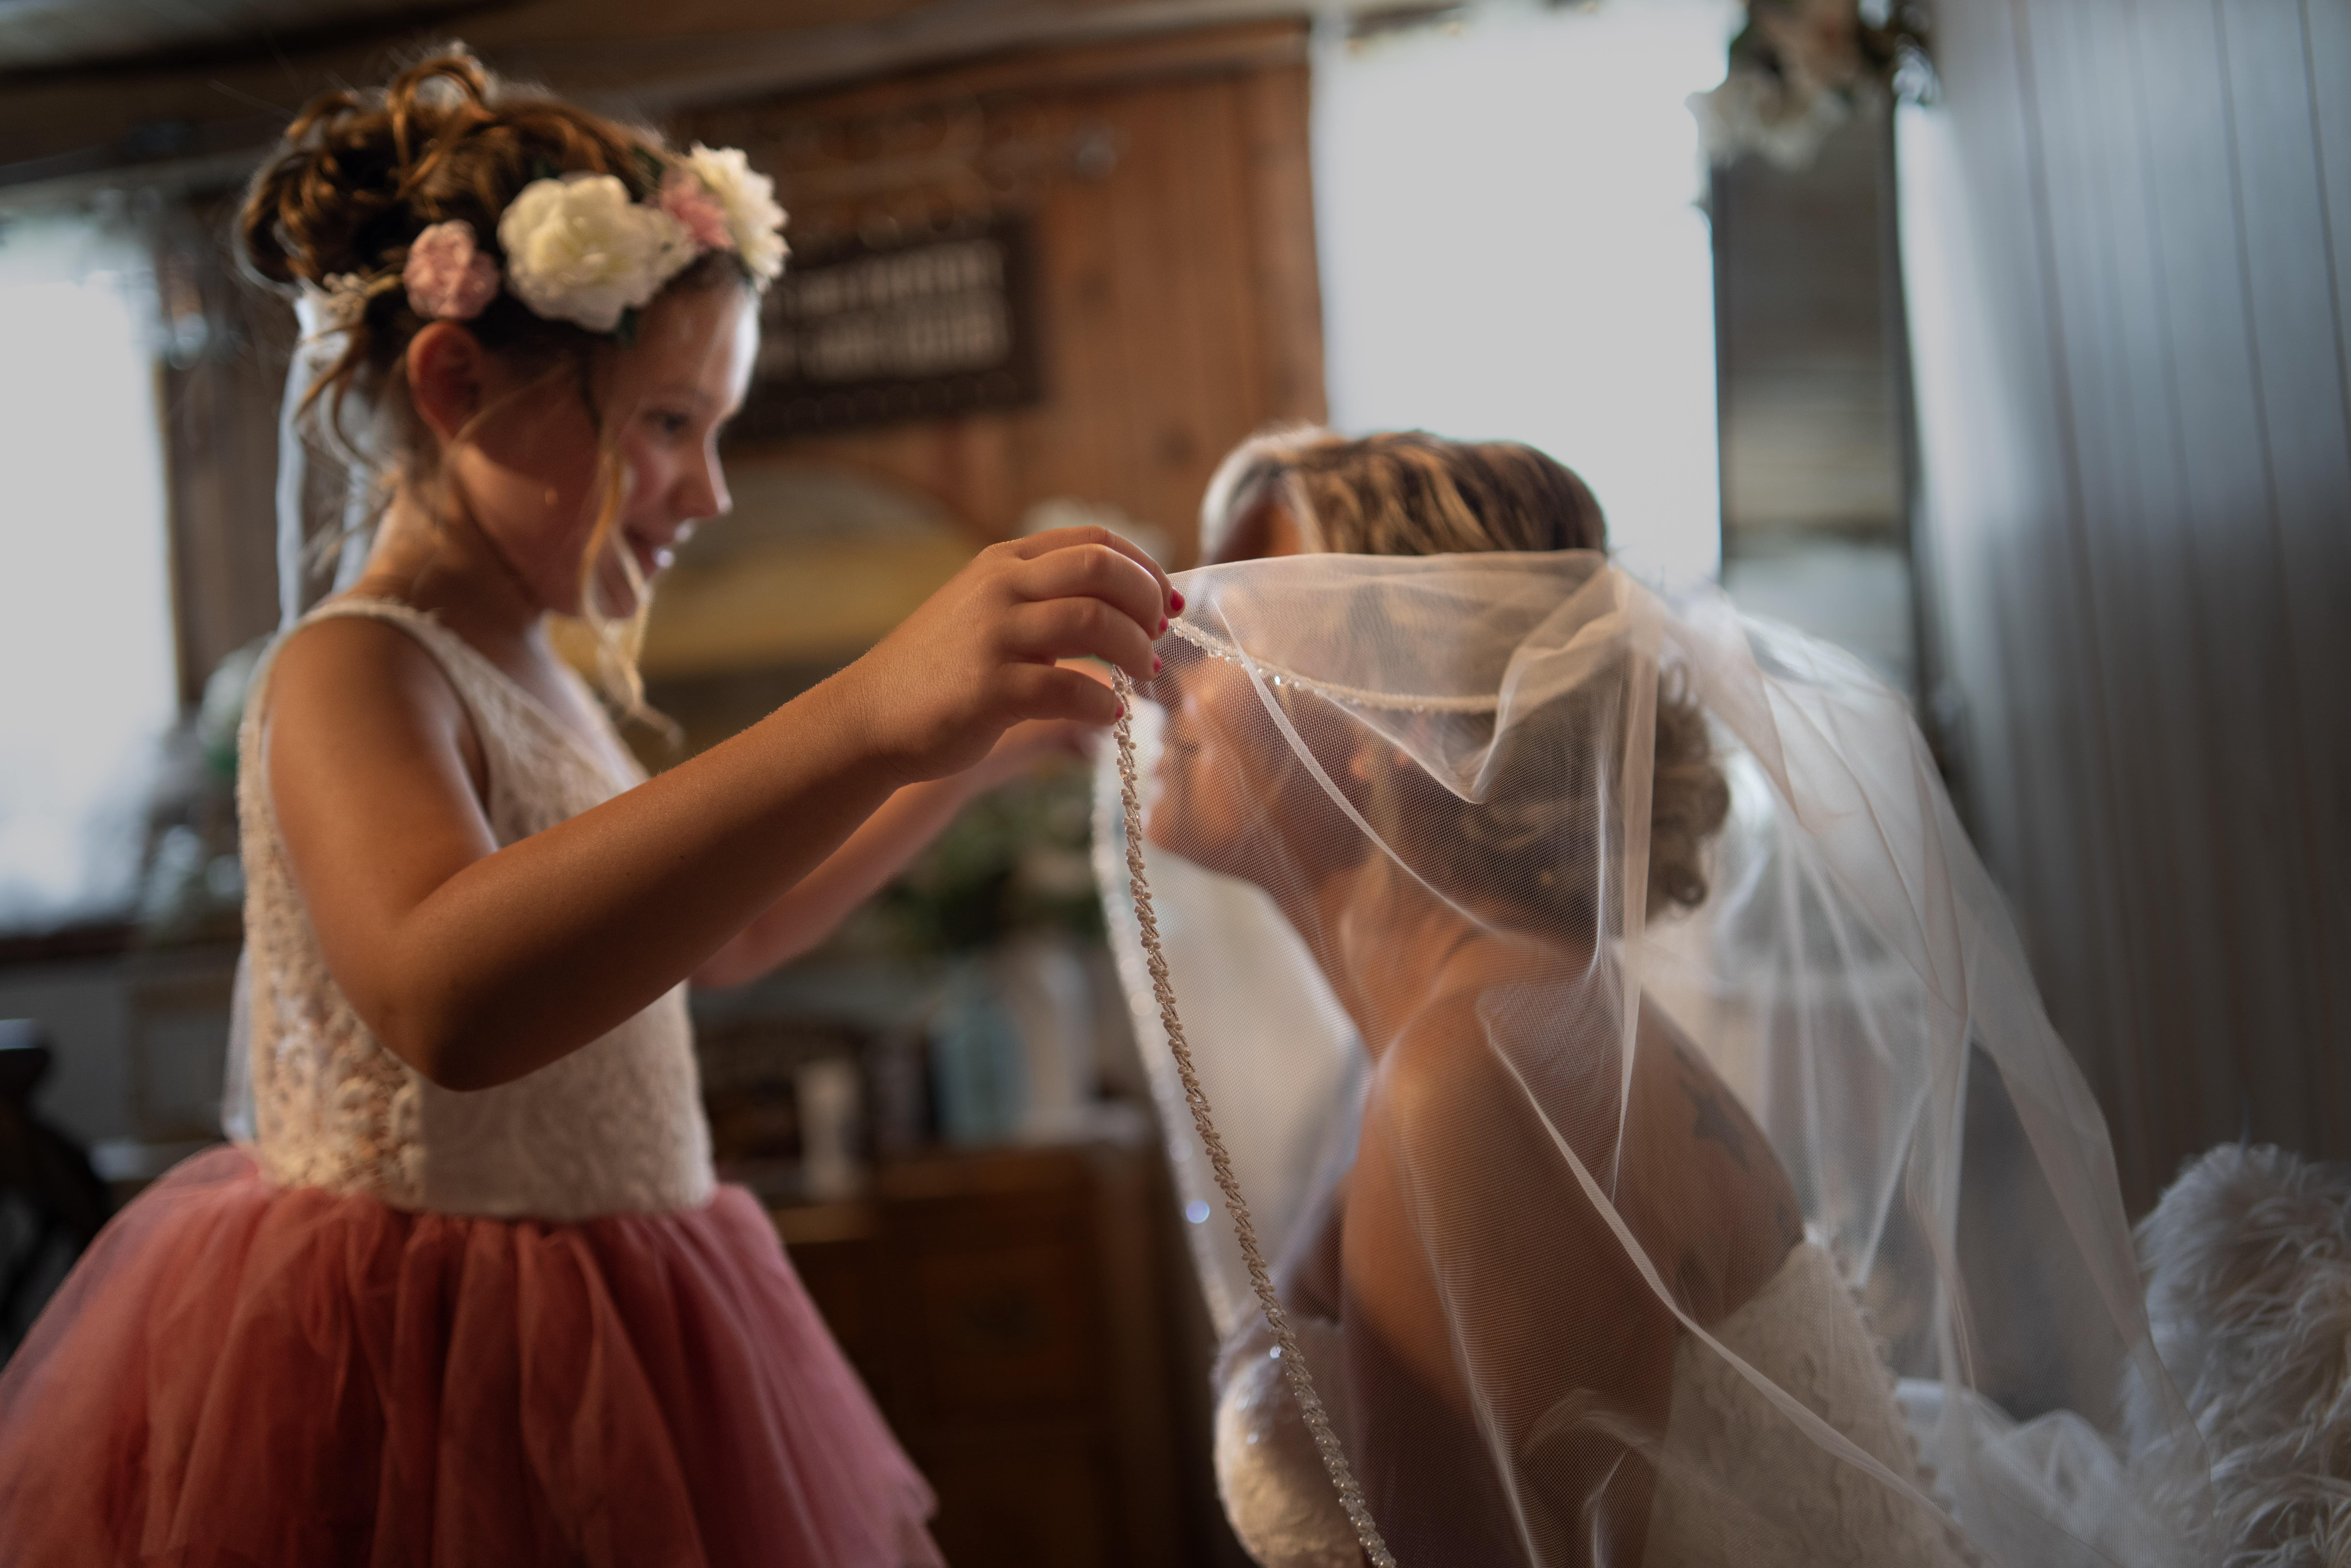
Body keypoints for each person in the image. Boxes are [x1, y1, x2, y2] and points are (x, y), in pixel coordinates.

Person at [0, 52, 1176, 1568]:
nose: (708, 490)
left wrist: (960, 754)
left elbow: (731, 933)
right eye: (670, 425)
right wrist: (869, 702)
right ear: (456, 386)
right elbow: (449, 997)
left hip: (630, 1301)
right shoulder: (355, 668)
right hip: (425, 1360)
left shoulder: (545, 677)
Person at [1097, 428, 2209, 1566]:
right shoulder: (1507, 1022)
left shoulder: (1479, 1083)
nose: (1159, 660)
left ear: (1394, 710)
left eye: (1226, 622)